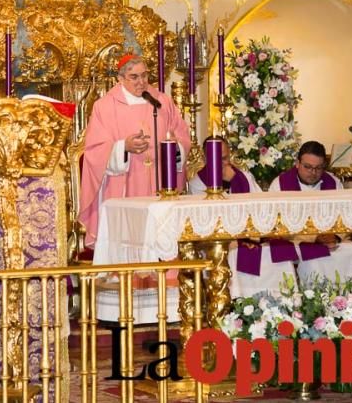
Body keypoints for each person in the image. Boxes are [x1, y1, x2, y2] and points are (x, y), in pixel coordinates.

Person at [79, 55, 190, 247]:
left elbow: (182, 135)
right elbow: (95, 150)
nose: (141, 82)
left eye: (145, 75)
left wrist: (174, 148)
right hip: (123, 185)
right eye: (134, 77)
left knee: (159, 243)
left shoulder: (161, 101)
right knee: (127, 243)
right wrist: (123, 147)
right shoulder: (104, 107)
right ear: (120, 79)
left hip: (160, 182)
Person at [188, 137, 297, 297]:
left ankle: (283, 300)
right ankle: (239, 301)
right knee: (232, 252)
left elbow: (260, 206)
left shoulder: (244, 176)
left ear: (230, 155)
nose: (222, 164)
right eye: (215, 159)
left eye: (224, 158)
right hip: (221, 237)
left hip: (251, 233)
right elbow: (207, 216)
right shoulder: (198, 183)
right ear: (205, 158)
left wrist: (235, 181)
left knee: (280, 249)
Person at [271, 141, 352, 285]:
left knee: (351, 249)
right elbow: (275, 224)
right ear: (297, 163)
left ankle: (349, 298)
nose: (313, 173)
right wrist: (314, 238)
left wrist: (336, 236)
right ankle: (313, 300)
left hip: (330, 240)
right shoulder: (280, 185)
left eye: (318, 168)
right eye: (308, 167)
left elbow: (345, 217)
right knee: (314, 255)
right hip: (295, 241)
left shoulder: (334, 183)